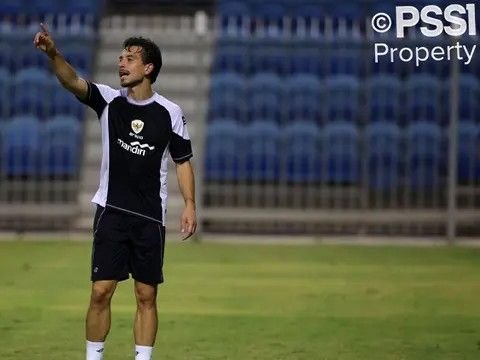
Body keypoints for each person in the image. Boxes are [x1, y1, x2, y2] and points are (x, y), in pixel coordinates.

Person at [33, 23, 197, 360]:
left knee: (146, 295)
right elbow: (72, 81)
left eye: (130, 59)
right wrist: (53, 54)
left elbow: (182, 161)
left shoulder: (171, 113)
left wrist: (191, 205)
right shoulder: (109, 101)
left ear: (148, 68)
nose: (121, 63)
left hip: (151, 217)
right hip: (112, 211)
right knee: (100, 292)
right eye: (120, 58)